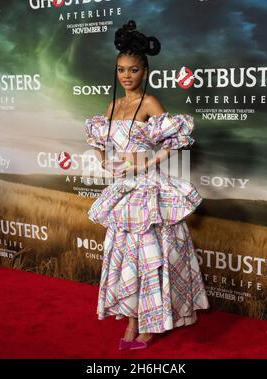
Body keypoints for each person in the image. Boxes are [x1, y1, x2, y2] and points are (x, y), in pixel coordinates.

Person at [84, 20, 209, 351]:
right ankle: (132, 320)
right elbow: (96, 137)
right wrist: (102, 160)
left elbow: (176, 140)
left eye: (134, 69)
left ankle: (151, 323)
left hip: (148, 191)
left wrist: (148, 162)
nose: (127, 75)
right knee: (125, 257)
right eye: (122, 69)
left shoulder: (150, 104)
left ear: (145, 71)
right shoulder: (112, 107)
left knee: (150, 256)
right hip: (123, 191)